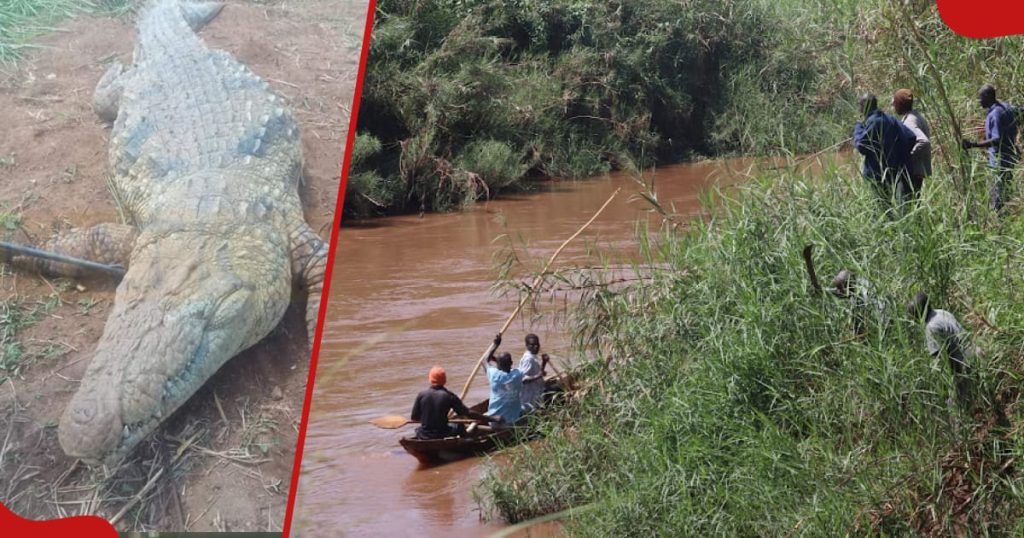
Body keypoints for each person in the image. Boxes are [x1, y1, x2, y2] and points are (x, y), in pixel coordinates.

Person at [853, 93, 917, 210]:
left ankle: (889, 228)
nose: (859, 109)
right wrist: (897, 155)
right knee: (896, 205)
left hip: (878, 173)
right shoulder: (890, 119)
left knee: (882, 207)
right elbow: (911, 137)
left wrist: (858, 128)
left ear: (864, 107)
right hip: (894, 171)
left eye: (860, 105)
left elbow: (861, 145)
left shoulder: (874, 122)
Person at [908, 292, 973, 407]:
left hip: (962, 363)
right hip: (973, 352)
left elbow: (940, 359)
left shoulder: (931, 327)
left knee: (955, 405)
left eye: (914, 315)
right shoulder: (941, 313)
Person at [962, 84, 1019, 211]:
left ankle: (998, 222)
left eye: (980, 98)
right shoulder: (1006, 107)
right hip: (1010, 158)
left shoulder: (995, 114)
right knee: (1006, 191)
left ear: (988, 96)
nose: (979, 101)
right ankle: (1005, 218)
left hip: (999, 160)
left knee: (998, 195)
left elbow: (997, 139)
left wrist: (973, 145)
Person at [410, 366, 503, 439]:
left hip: (423, 434)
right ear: (444, 381)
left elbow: (414, 417)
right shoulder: (448, 396)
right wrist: (492, 419)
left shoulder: (421, 395)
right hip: (442, 433)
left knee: (419, 429)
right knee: (459, 426)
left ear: (430, 380)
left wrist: (429, 418)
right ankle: (466, 440)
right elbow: (467, 413)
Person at [893, 89, 932, 196]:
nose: (893, 105)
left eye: (895, 102)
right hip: (917, 171)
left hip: (911, 172)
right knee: (913, 205)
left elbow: (924, 141)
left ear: (900, 104)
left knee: (905, 207)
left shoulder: (909, 121)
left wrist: (909, 157)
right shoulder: (916, 116)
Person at [484, 334, 524, 425]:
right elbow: (505, 366)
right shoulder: (517, 375)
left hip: (495, 422)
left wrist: (495, 344)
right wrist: (497, 360)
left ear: (498, 365)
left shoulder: (494, 375)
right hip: (514, 420)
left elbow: (485, 360)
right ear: (511, 363)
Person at [518, 334, 551, 412]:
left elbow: (539, 372)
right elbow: (523, 380)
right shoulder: (528, 359)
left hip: (536, 390)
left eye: (537, 344)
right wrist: (538, 376)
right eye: (532, 345)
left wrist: (544, 362)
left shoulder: (533, 356)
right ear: (527, 346)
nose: (536, 346)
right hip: (529, 396)